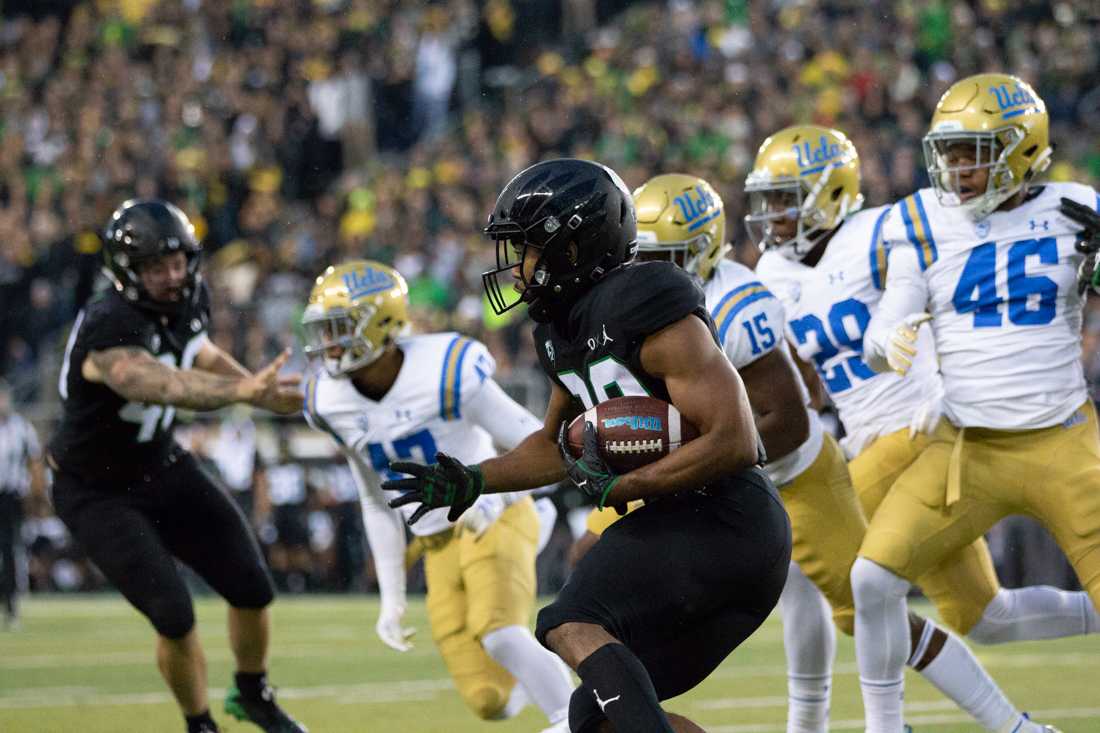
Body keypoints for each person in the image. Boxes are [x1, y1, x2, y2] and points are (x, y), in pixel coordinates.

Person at [383, 158, 793, 733]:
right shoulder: (559, 329)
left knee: (569, 619)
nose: (513, 266)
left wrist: (629, 485)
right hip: (695, 528)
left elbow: (736, 439)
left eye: (525, 248)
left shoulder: (647, 298)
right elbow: (555, 445)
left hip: (728, 521)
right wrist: (474, 479)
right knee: (595, 717)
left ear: (571, 249)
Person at [753, 123, 1097, 733]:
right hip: (869, 437)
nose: (773, 213)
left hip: (917, 427)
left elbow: (971, 234)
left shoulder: (884, 231)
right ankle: (1020, 726)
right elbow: (803, 371)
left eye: (787, 197)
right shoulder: (770, 273)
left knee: (826, 566)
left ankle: (840, 725)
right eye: (769, 199)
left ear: (829, 191)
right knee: (985, 617)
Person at [854, 73, 1099, 733]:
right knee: (871, 580)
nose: (957, 168)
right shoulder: (923, 220)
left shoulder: (1079, 209)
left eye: (974, 151)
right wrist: (885, 342)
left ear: (1021, 148)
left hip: (1064, 439)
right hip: (967, 449)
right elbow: (889, 319)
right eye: (951, 151)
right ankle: (884, 728)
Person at [46, 199, 307, 733]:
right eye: (156, 268)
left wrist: (258, 391)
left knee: (253, 586)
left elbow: (199, 351)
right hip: (96, 491)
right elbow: (160, 382)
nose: (172, 276)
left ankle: (253, 693)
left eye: (178, 262)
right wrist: (243, 390)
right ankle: (200, 725)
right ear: (126, 272)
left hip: (160, 463)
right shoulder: (108, 322)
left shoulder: (190, 297)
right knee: (174, 614)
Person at [299, 259, 574, 731]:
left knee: (502, 634)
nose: (329, 342)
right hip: (435, 541)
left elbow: (539, 439)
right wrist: (391, 596)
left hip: (490, 514)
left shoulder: (443, 369)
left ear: (381, 323)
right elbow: (375, 501)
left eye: (341, 328)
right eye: (325, 329)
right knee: (489, 700)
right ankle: (545, 683)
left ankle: (574, 716)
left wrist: (502, 494)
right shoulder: (329, 401)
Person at [0, 378, 46, 630]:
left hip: (10, 497)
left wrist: (36, 495)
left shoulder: (21, 428)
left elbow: (35, 462)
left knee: (10, 551)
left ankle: (11, 607)